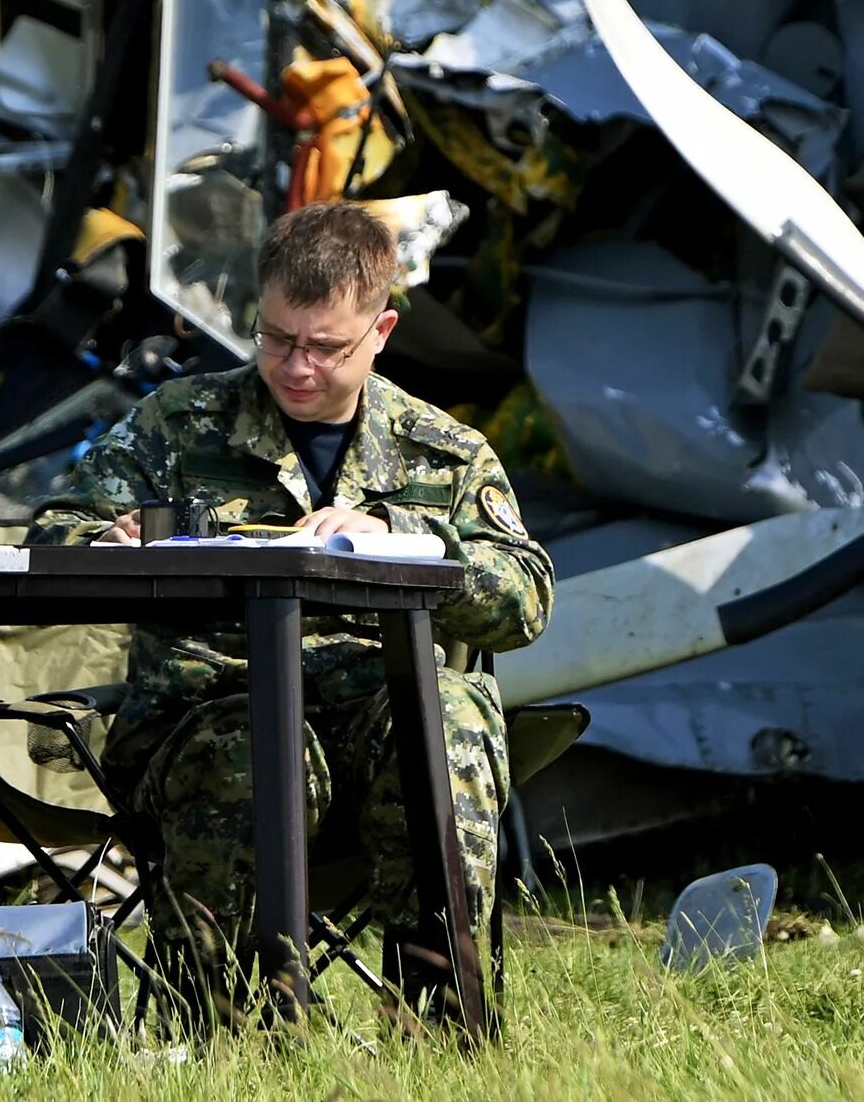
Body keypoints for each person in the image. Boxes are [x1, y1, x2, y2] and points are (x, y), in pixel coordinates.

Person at [33, 202, 553, 1027]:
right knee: (251, 747)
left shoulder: (439, 451)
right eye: (275, 338)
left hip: (381, 713)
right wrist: (107, 538)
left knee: (447, 722)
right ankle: (217, 1025)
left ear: (380, 330)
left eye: (325, 346)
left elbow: (525, 595)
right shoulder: (179, 423)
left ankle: (440, 1019)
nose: (296, 365)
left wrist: (404, 537)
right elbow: (51, 534)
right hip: (210, 714)